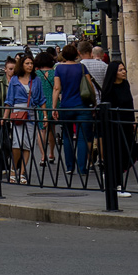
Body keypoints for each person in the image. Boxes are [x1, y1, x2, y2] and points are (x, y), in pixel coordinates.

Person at [53, 43, 93, 176]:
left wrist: (54, 107)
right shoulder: (81, 67)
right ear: (76, 54)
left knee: (67, 136)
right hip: (82, 106)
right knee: (82, 138)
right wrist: (93, 103)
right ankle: (82, 168)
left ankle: (70, 167)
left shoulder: (59, 68)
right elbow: (89, 86)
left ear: (63, 55)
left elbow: (57, 88)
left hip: (66, 106)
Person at [4, 54, 46, 184]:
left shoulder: (36, 80)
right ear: (22, 65)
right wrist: (4, 117)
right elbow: (9, 100)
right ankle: (13, 171)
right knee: (17, 143)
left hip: (31, 114)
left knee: (27, 145)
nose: (30, 66)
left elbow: (41, 99)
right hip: (18, 113)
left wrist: (45, 115)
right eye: (27, 63)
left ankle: (22, 173)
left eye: (31, 63)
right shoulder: (15, 80)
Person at [102, 60, 138, 197]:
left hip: (126, 124)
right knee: (117, 154)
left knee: (130, 153)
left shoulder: (125, 84)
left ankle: (111, 176)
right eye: (120, 70)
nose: (124, 72)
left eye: (124, 69)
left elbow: (130, 103)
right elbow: (107, 109)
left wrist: (132, 120)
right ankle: (116, 185)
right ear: (114, 73)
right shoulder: (109, 89)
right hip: (115, 126)